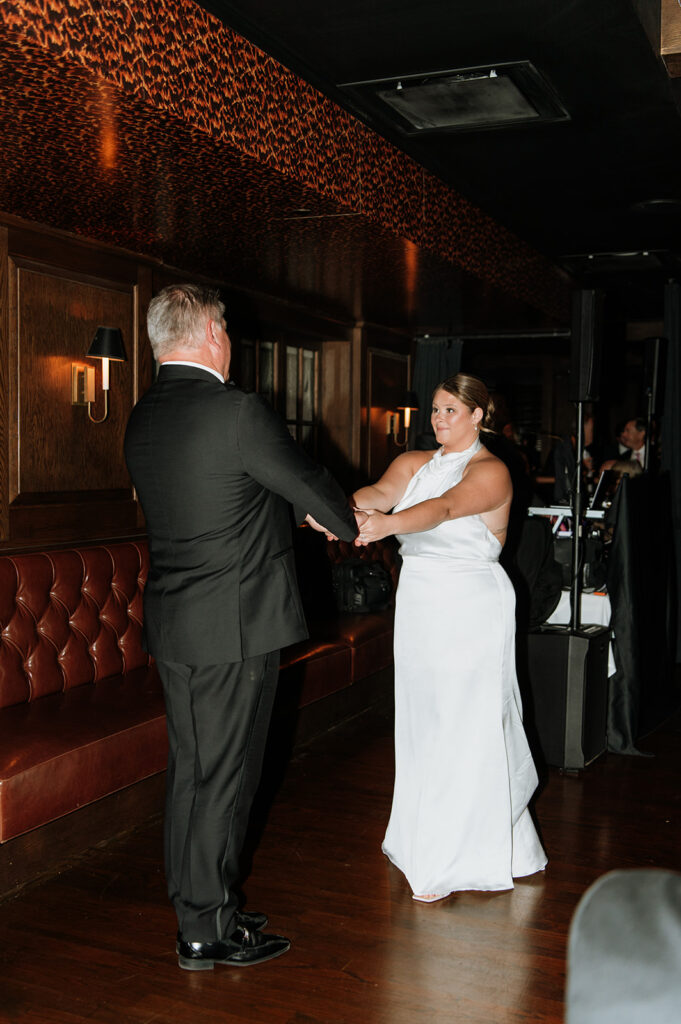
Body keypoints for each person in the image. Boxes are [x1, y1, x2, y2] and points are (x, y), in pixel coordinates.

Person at [124, 284, 359, 970]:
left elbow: (221, 499)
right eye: (225, 329)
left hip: (176, 624)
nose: (229, 341)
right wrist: (343, 521)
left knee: (194, 773)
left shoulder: (144, 415)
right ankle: (206, 929)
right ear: (209, 334)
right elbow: (311, 488)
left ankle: (201, 902)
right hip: (232, 628)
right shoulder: (236, 411)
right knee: (224, 778)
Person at [352, 373, 546, 901]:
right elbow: (379, 494)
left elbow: (443, 509)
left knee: (466, 722)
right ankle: (425, 840)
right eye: (435, 409)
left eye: (450, 410)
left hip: (471, 604)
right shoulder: (414, 462)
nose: (438, 419)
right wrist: (342, 511)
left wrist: (384, 526)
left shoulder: (491, 470)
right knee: (425, 720)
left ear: (478, 415)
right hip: (420, 601)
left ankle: (465, 853)